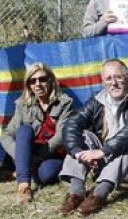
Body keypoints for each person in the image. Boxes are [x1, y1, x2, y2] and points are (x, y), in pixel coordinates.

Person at [58, 59, 128, 217]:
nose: (114, 83)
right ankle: (76, 193)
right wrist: (76, 152)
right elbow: (71, 124)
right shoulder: (97, 100)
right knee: (83, 136)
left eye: (118, 77)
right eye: (109, 78)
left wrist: (102, 151)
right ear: (103, 82)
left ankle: (99, 194)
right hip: (109, 163)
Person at [0, 63, 74, 203]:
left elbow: (62, 135)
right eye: (32, 81)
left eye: (42, 79)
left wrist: (37, 157)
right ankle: (24, 185)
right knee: (24, 130)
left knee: (47, 174)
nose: (38, 84)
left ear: (51, 80)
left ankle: (19, 172)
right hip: (27, 149)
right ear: (28, 85)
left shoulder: (65, 103)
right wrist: (21, 155)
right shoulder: (22, 104)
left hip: (51, 153)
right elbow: (7, 134)